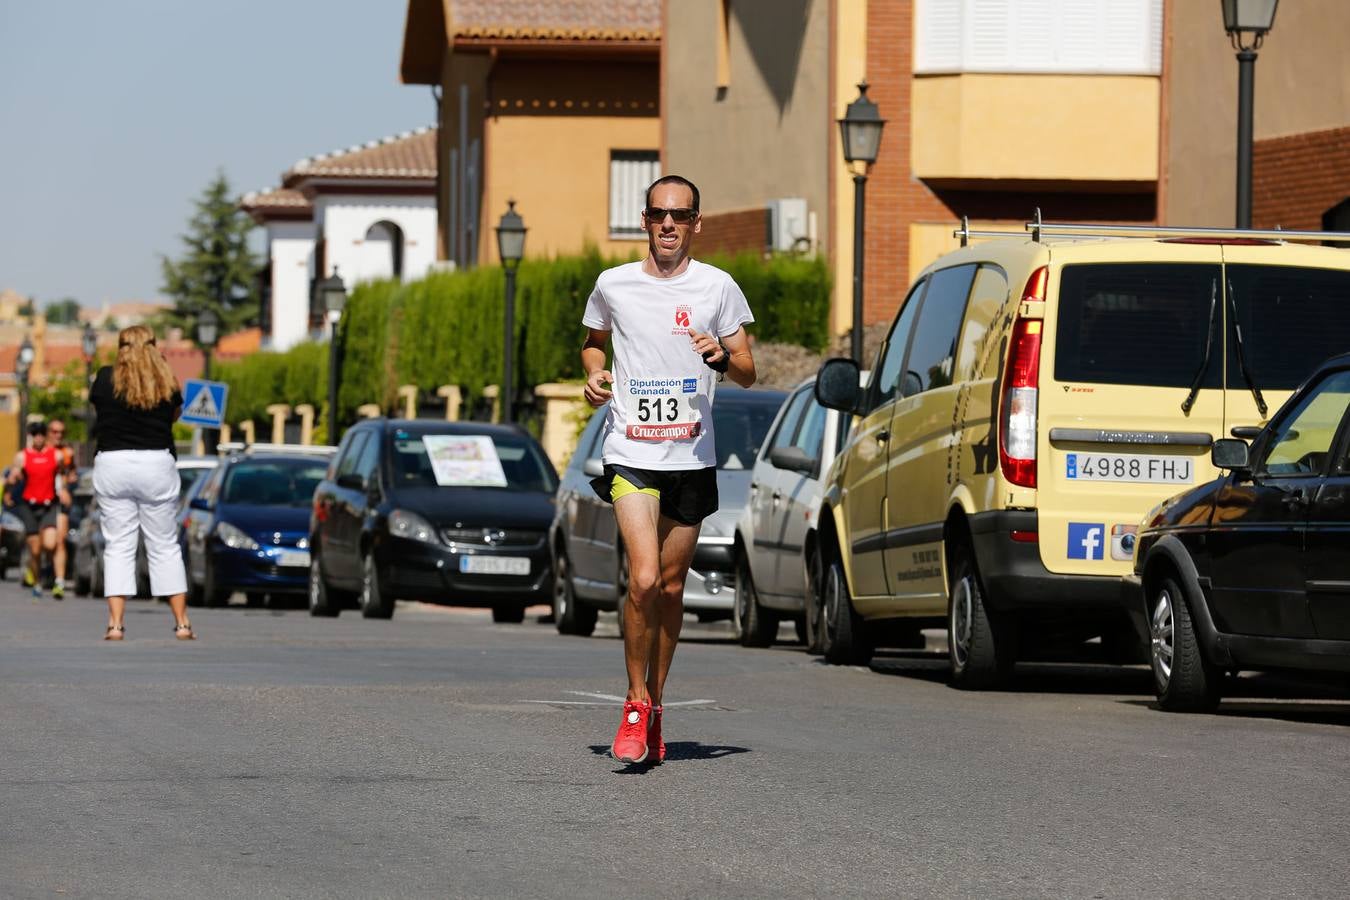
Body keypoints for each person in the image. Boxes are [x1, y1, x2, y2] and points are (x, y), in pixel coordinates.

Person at [580, 174, 757, 764]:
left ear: (696, 224)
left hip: (691, 455)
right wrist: (594, 373)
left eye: (680, 216)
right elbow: (592, 340)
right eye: (659, 214)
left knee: (674, 588)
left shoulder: (718, 287)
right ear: (645, 220)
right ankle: (633, 702)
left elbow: (749, 367)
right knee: (645, 579)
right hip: (631, 450)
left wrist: (721, 357)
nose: (668, 226)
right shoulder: (614, 284)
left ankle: (657, 702)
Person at [90, 325, 194, 641]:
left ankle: (116, 625)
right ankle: (182, 623)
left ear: (121, 346)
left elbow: (101, 410)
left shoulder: (105, 378)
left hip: (114, 462)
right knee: (163, 544)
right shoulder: (165, 379)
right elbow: (175, 414)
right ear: (152, 346)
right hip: (155, 463)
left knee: (119, 543)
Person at [6, 420, 70, 599]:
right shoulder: (23, 456)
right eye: (35, 435)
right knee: (35, 549)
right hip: (29, 505)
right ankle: (37, 581)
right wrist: (12, 481)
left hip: (49, 504)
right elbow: (14, 475)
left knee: (50, 544)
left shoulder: (56, 455)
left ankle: (52, 575)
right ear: (31, 437)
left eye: (42, 434)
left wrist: (63, 489)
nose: (39, 438)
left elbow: (63, 473)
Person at [49, 418, 78, 595]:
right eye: (54, 431)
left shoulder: (67, 452)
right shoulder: (41, 451)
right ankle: (38, 568)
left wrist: (68, 485)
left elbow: (71, 473)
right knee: (45, 543)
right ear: (48, 433)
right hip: (42, 500)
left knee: (60, 540)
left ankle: (59, 581)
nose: (58, 435)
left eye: (61, 432)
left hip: (60, 499)